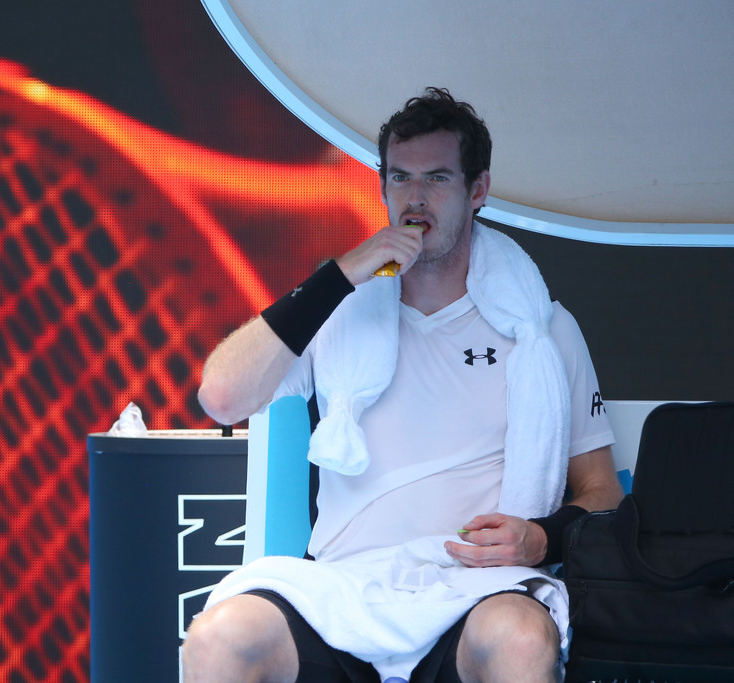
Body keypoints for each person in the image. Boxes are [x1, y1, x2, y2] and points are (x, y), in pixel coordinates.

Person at [183, 88, 623, 683]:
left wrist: (541, 539)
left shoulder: (545, 328)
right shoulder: (337, 309)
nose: (415, 198)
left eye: (437, 178)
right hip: (342, 587)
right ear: (383, 187)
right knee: (219, 639)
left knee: (521, 639)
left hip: (477, 590)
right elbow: (220, 397)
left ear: (477, 190)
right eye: (400, 177)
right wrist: (340, 275)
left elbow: (602, 492)